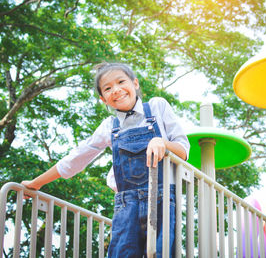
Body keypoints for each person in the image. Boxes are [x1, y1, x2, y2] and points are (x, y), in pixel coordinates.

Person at [21, 62, 190, 258]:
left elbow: (183, 151)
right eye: (108, 88)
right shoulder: (110, 126)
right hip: (127, 206)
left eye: (121, 82)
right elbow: (75, 159)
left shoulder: (157, 107)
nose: (116, 90)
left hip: (162, 201)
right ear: (104, 99)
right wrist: (35, 184)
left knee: (160, 254)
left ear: (135, 83)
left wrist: (162, 142)